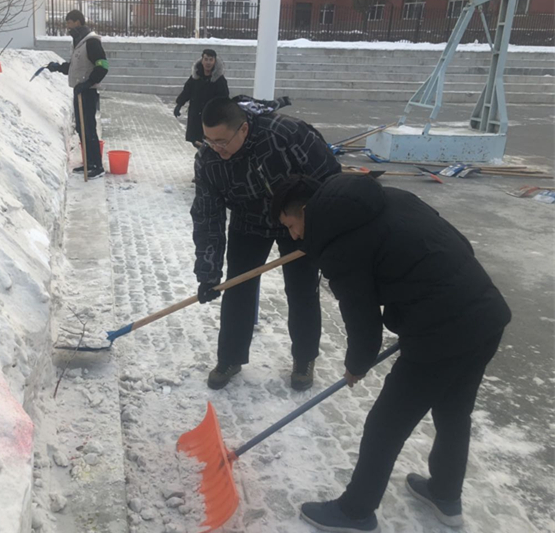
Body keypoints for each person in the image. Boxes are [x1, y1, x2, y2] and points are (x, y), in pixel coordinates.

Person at [270, 175, 511, 532]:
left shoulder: (338, 246)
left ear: (306, 210)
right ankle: (445, 494)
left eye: (291, 225)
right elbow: (458, 244)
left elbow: (362, 321)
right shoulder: (391, 197)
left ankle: (355, 512)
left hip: (441, 332)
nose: (293, 236)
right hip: (487, 312)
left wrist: (357, 365)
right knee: (453, 411)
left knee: (385, 425)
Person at [192, 97, 341, 391]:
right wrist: (208, 273)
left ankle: (304, 358)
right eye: (209, 140)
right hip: (248, 221)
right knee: (238, 288)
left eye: (221, 141)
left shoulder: (286, 134)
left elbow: (330, 181)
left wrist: (322, 234)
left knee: (302, 290)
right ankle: (230, 358)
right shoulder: (209, 160)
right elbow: (207, 216)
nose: (215, 148)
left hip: (297, 222)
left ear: (243, 129)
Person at [47, 10, 108, 179]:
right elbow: (76, 67)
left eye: (69, 22)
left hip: (88, 92)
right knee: (81, 128)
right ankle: (88, 163)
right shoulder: (78, 42)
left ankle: (97, 166)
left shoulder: (91, 42)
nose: (67, 25)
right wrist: (58, 67)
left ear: (77, 22)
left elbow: (103, 66)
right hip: (80, 91)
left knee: (89, 128)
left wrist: (88, 83)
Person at [174, 49, 229, 148]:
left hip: (210, 118)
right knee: (196, 141)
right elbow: (187, 91)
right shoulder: (196, 77)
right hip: (195, 116)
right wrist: (179, 104)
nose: (208, 62)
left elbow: (224, 99)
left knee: (208, 145)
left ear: (214, 61)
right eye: (206, 59)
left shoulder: (219, 80)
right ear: (202, 60)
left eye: (211, 60)